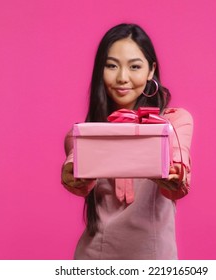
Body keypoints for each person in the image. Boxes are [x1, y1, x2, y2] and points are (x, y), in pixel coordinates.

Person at [61, 23, 193, 259]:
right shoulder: (83, 133)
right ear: (100, 70)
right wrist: (71, 175)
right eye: (111, 66)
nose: (122, 78)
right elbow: (76, 180)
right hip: (94, 259)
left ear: (151, 70)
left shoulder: (173, 123)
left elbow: (179, 176)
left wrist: (175, 177)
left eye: (134, 66)